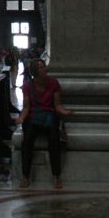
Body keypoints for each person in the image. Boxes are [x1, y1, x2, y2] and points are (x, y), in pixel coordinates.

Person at [18, 59, 74, 189]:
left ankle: (56, 176)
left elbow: (57, 104)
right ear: (34, 71)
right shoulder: (27, 86)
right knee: (27, 142)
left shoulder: (53, 83)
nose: (43, 69)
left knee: (54, 141)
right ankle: (25, 176)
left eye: (43, 66)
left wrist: (66, 112)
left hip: (48, 116)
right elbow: (26, 107)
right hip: (33, 116)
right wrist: (21, 118)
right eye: (40, 67)